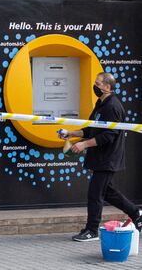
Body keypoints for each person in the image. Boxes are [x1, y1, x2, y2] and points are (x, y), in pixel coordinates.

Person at [60, 72, 142, 242]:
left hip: (108, 158)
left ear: (107, 87)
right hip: (100, 157)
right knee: (108, 192)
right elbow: (91, 129)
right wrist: (71, 133)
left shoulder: (113, 107)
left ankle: (91, 231)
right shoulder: (100, 103)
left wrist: (84, 144)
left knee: (95, 194)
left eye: (98, 83)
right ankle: (136, 213)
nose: (95, 86)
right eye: (95, 82)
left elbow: (108, 135)